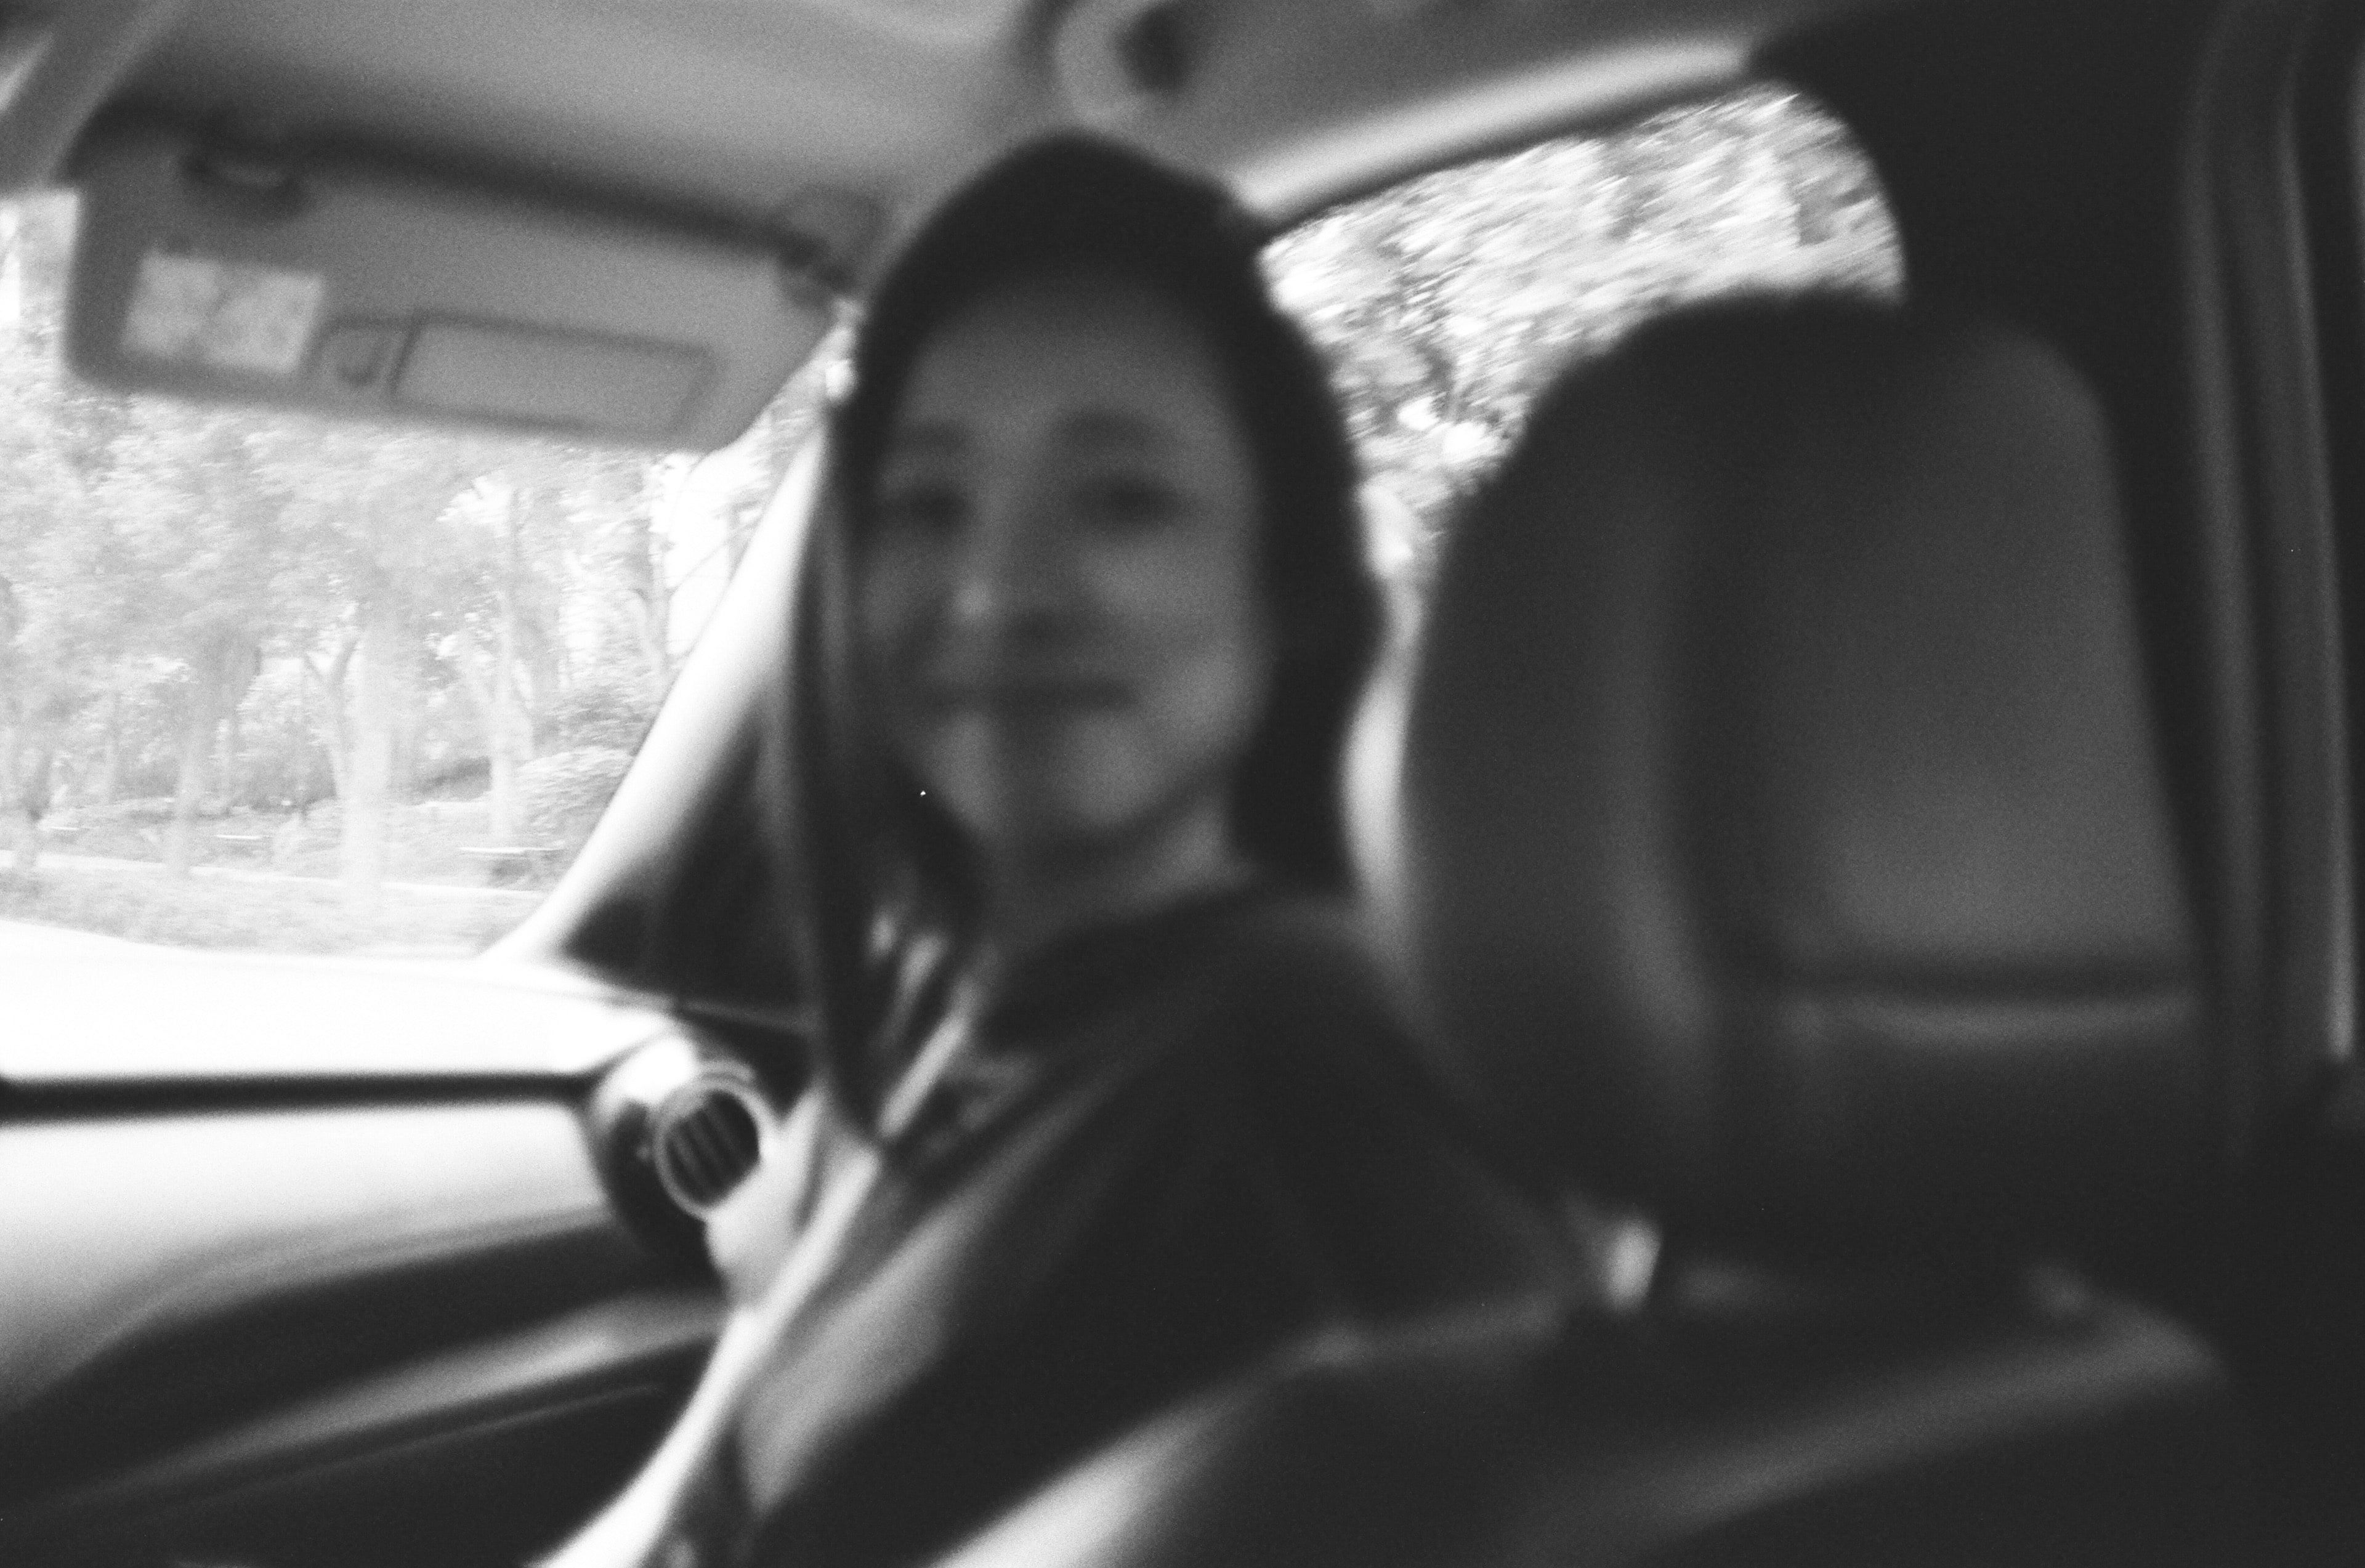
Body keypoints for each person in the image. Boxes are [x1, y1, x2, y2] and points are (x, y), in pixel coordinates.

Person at [699, 135, 1571, 1568]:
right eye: (927, 505)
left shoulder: (1312, 1056)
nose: (998, 592)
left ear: (1284, 580)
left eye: (1121, 500)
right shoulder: (937, 999)